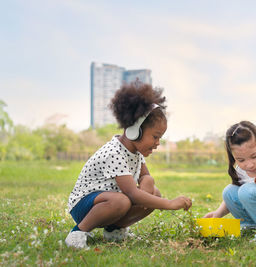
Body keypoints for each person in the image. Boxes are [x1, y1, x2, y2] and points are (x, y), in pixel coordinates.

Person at [65, 83, 192, 248]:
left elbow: (144, 177)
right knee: (122, 201)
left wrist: (148, 181)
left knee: (154, 193)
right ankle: (77, 232)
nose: (157, 143)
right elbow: (132, 193)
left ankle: (114, 230)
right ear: (135, 130)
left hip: (109, 201)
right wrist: (169, 204)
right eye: (155, 136)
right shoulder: (114, 153)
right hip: (83, 207)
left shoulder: (135, 152)